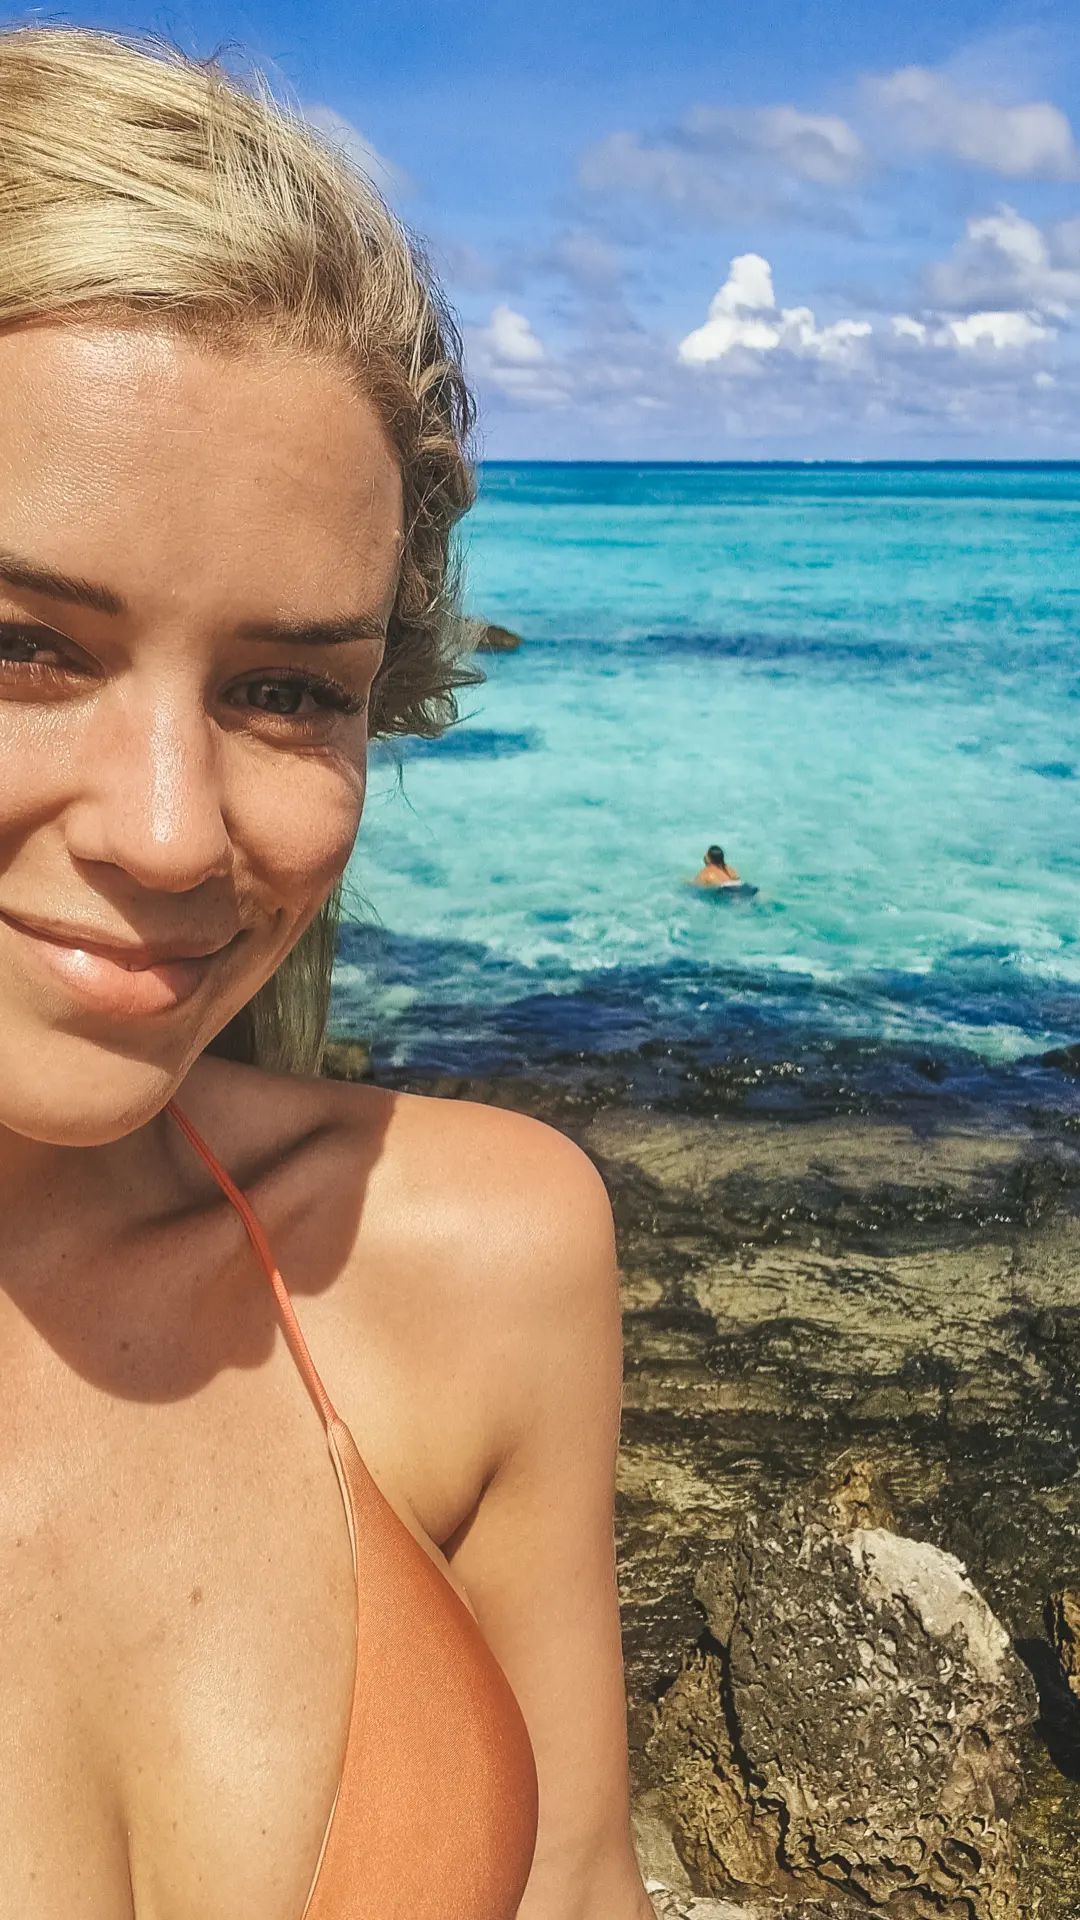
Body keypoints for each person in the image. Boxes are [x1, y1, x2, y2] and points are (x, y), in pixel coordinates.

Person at [0, 26, 655, 1920]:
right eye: (22, 643)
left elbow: (578, 1884)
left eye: (289, 687)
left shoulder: (471, 1262)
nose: (169, 834)